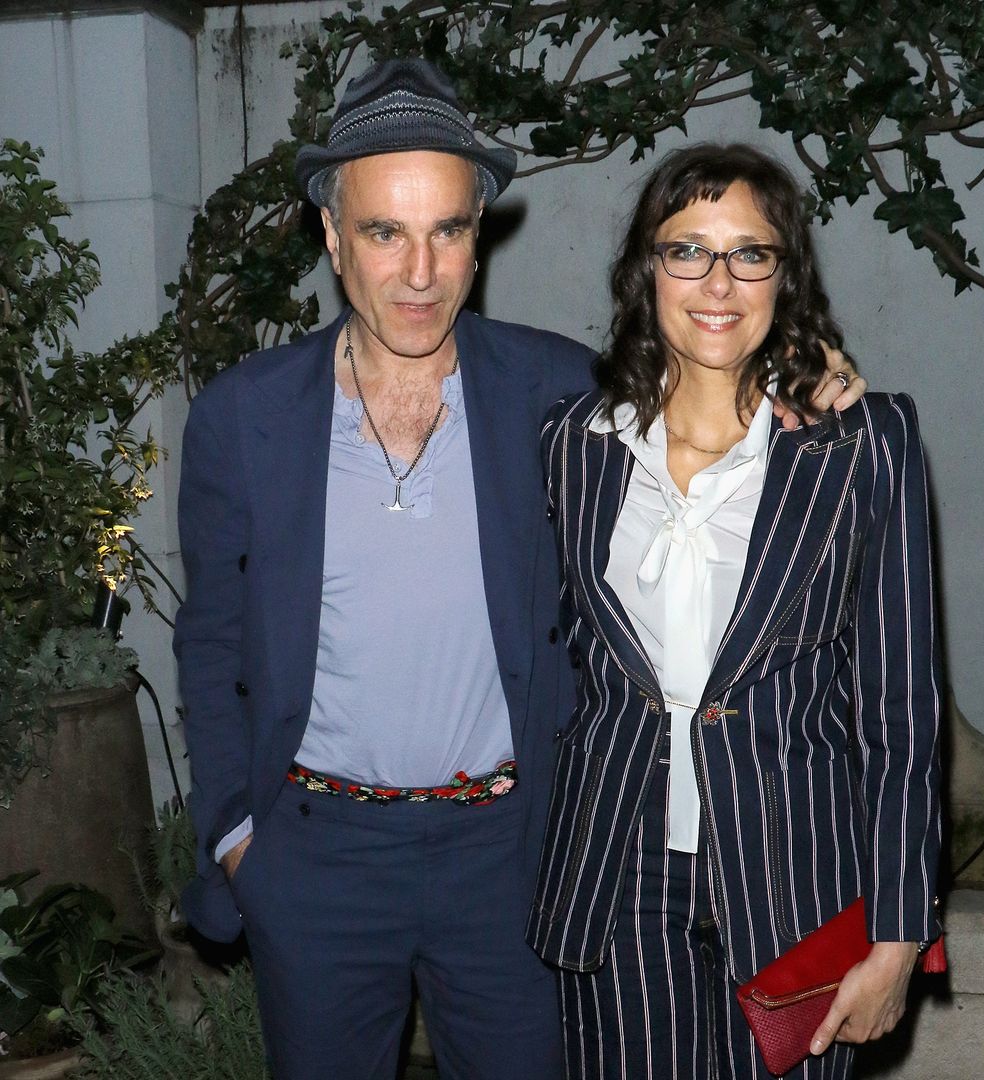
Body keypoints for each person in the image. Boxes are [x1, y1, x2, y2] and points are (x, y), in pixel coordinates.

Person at [173, 61, 864, 1079]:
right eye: (384, 232)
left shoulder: (555, 392)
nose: (420, 271)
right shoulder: (244, 415)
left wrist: (803, 392)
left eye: (448, 229)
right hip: (315, 857)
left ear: (479, 232)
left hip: (511, 856)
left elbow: (711, 434)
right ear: (330, 234)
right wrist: (239, 836)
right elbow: (213, 638)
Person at [527, 142, 942, 1080]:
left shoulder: (862, 444)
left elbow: (900, 710)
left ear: (783, 275)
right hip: (619, 882)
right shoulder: (573, 442)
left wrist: (900, 933)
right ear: (647, 269)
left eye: (750, 253)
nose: (718, 281)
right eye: (688, 250)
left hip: (802, 882)